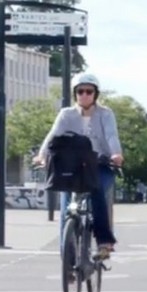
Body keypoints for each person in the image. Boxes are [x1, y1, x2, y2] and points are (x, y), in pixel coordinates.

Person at [33, 73, 123, 261]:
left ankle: (104, 243)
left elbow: (111, 136)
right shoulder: (66, 114)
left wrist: (116, 154)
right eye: (80, 91)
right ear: (75, 94)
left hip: (100, 164)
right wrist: (42, 156)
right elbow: (53, 136)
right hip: (73, 165)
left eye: (89, 91)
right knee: (66, 206)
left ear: (95, 94)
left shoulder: (105, 114)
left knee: (97, 190)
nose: (84, 95)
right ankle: (67, 258)